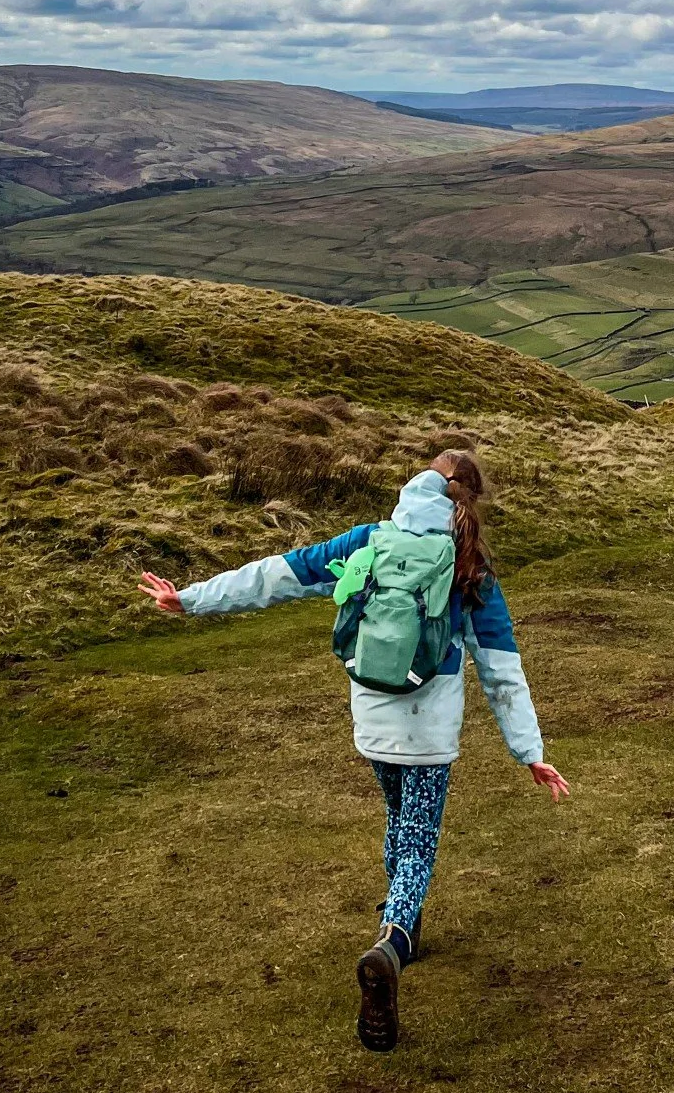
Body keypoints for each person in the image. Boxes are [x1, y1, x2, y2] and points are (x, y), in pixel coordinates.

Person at [138, 449, 568, 1053]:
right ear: (467, 500)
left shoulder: (369, 540)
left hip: (371, 719)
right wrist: (529, 750)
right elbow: (501, 671)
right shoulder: (471, 565)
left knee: (399, 815)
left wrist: (191, 599)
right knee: (419, 835)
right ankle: (392, 941)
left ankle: (405, 921)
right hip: (430, 729)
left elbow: (277, 575)